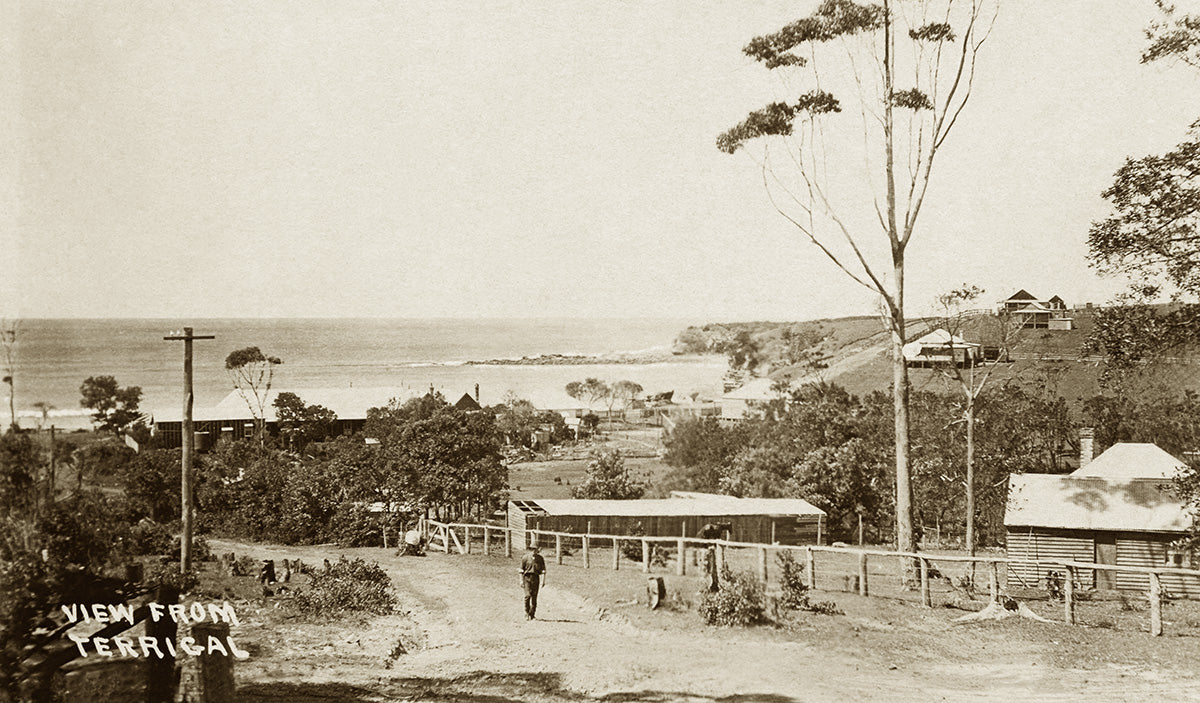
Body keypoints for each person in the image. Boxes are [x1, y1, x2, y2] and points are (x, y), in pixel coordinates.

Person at [520, 543, 547, 620]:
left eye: (535, 549)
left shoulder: (540, 559)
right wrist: (521, 581)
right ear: (530, 549)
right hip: (527, 578)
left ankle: (532, 614)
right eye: (532, 549)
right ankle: (526, 612)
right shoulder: (525, 558)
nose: (534, 551)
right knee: (527, 596)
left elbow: (543, 570)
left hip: (536, 578)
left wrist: (543, 581)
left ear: (537, 550)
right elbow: (521, 570)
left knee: (534, 597)